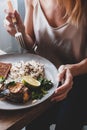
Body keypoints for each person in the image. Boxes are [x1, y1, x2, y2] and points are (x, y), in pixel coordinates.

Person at [4, 0, 87, 130]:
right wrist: (19, 32)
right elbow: (30, 45)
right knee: (34, 125)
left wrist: (73, 69)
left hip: (79, 79)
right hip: (42, 78)